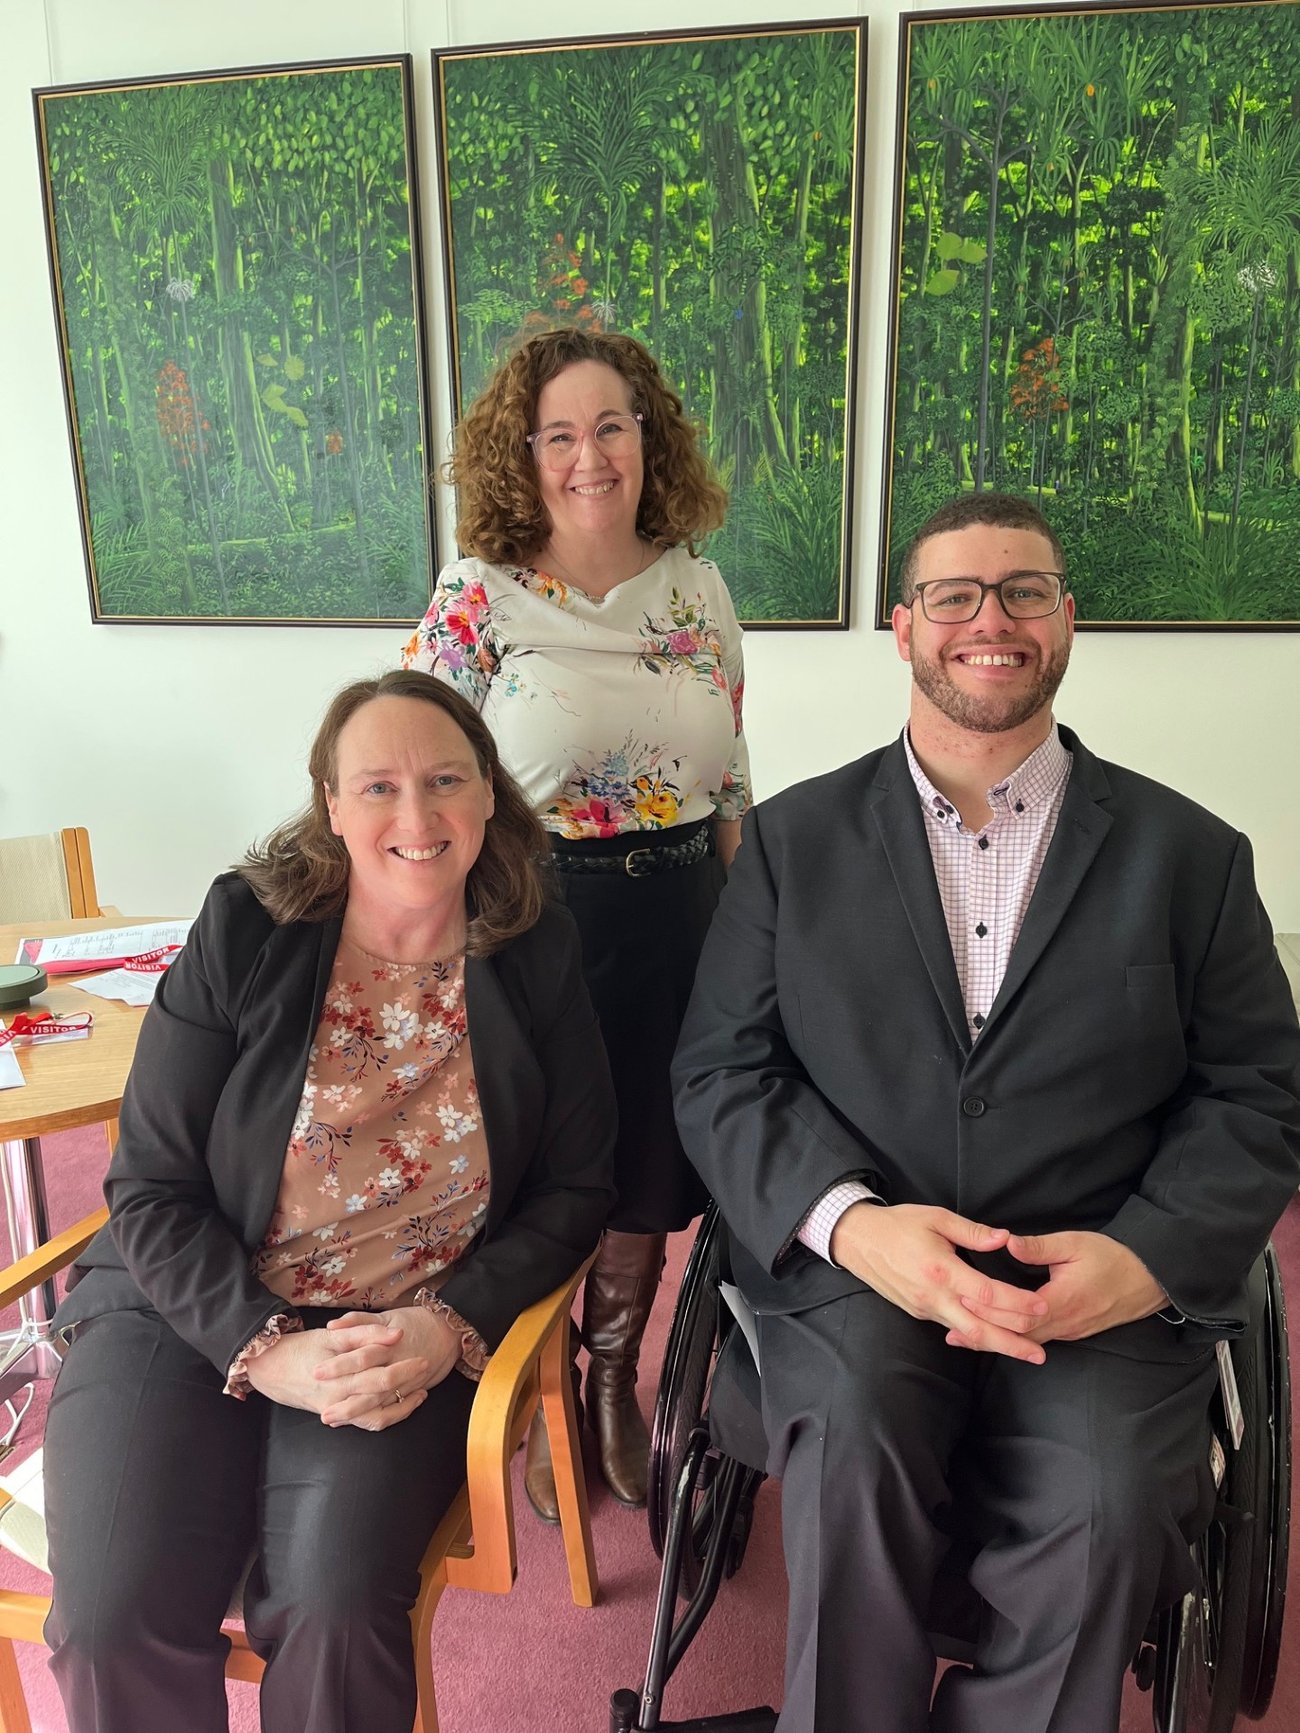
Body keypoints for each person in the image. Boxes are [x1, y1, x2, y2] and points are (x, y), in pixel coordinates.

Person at [672, 492, 1300, 1733]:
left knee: (1117, 1504)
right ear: (903, 626)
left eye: (1022, 591)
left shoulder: (1193, 855)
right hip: (857, 1263)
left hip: (1096, 1264)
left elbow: (1258, 1090)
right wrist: (852, 1225)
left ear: (1065, 621)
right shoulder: (792, 842)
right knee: (850, 1449)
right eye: (954, 595)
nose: (988, 620)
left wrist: (1144, 1256)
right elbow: (720, 1071)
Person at [43, 670, 616, 1733]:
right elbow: (151, 1183)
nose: (416, 814)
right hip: (188, 1309)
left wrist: (449, 1328)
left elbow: (579, 1182)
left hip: (396, 1328)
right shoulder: (247, 927)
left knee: (337, 1607)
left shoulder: (533, 945)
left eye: (446, 779)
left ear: (490, 794)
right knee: (112, 1613)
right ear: (331, 801)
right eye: (379, 784)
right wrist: (260, 1347)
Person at [402, 327, 751, 1520]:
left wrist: (757, 931)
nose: (589, 455)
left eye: (612, 425)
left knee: (652, 1158)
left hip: (683, 922)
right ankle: (538, 1382)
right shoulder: (478, 594)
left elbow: (731, 771)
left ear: (649, 437)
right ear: (526, 451)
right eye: (560, 433)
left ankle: (613, 1376)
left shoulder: (697, 586)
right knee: (548, 1165)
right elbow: (413, 770)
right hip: (537, 922)